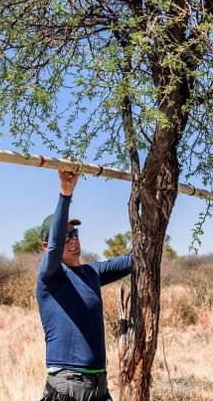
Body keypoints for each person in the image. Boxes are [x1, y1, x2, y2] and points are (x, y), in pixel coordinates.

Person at [37, 169, 132, 401]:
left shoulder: (92, 273)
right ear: (46, 245)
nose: (73, 240)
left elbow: (135, 258)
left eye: (75, 233)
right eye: (65, 236)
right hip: (67, 386)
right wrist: (65, 195)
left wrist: (156, 207)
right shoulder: (50, 277)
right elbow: (55, 247)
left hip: (99, 386)